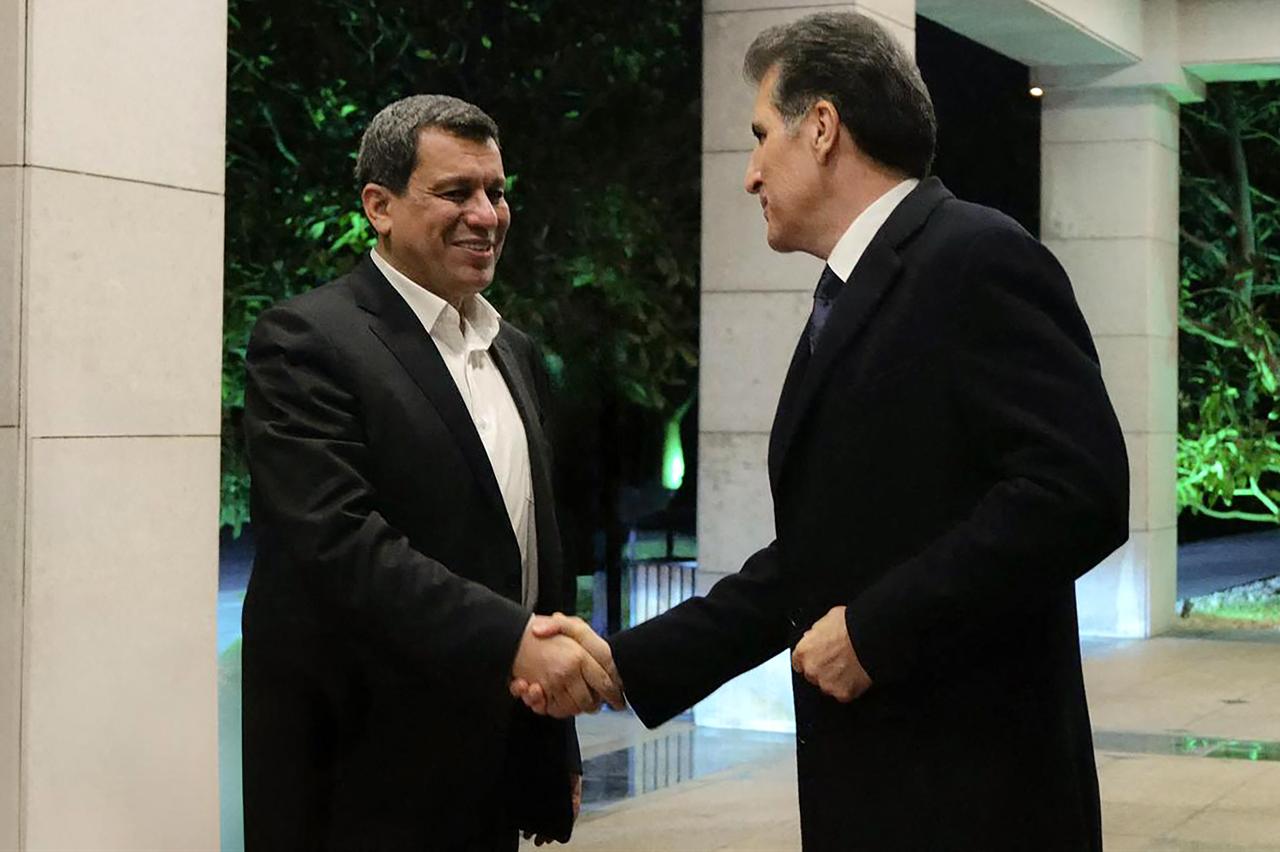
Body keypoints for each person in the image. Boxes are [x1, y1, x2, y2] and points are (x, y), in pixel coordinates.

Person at [514, 12, 1129, 851]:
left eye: (761, 136)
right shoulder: (855, 291)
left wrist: (877, 632)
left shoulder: (976, 256)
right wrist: (628, 664)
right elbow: (814, 562)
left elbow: (1079, 493)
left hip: (974, 797)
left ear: (824, 127)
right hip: (884, 792)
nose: (750, 174)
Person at [240, 94, 618, 851]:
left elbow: (533, 555)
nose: (486, 215)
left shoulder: (515, 351)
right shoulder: (304, 341)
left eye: (496, 192)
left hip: (490, 766)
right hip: (359, 780)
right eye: (456, 192)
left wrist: (554, 740)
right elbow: (340, 545)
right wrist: (514, 641)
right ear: (378, 206)